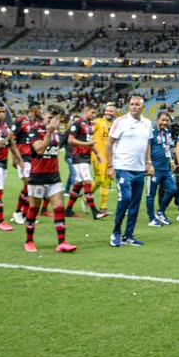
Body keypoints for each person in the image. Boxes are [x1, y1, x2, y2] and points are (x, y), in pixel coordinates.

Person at [22, 103, 78, 253]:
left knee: (59, 208)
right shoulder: (35, 130)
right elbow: (39, 149)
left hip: (54, 177)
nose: (52, 121)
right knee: (33, 209)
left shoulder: (57, 133)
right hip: (37, 177)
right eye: (49, 117)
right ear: (44, 116)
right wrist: (48, 132)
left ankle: (62, 242)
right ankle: (29, 241)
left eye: (56, 119)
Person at [106, 95, 153, 247]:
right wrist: (110, 166)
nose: (133, 107)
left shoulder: (147, 123)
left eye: (136, 104)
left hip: (139, 169)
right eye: (131, 104)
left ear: (142, 107)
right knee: (125, 198)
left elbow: (147, 144)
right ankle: (116, 232)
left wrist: (148, 162)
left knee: (135, 203)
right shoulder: (120, 122)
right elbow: (109, 144)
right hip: (123, 167)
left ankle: (129, 235)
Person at [64, 105, 106, 219]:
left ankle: (68, 210)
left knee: (78, 184)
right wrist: (87, 145)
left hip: (86, 157)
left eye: (95, 113)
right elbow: (70, 140)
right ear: (86, 111)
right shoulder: (78, 123)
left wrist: (97, 153)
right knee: (88, 182)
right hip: (78, 157)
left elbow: (89, 142)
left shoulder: (89, 126)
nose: (94, 115)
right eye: (92, 112)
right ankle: (95, 212)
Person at [146, 110, 177, 227]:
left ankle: (161, 212)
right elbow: (146, 148)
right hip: (154, 169)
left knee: (173, 189)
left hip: (166, 169)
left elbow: (167, 148)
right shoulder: (151, 132)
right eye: (162, 120)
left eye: (166, 121)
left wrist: (171, 160)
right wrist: (149, 164)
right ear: (157, 120)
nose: (164, 122)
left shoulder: (167, 133)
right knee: (151, 194)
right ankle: (151, 218)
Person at [10, 103, 41, 224]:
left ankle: (25, 215)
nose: (41, 112)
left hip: (33, 158)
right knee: (28, 185)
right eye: (40, 109)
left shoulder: (36, 124)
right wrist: (15, 158)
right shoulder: (21, 121)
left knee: (31, 187)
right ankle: (18, 212)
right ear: (34, 110)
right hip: (23, 157)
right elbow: (12, 139)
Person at [91, 102, 116, 214]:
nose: (108, 113)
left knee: (106, 182)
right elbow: (87, 132)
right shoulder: (98, 122)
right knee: (99, 180)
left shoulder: (115, 125)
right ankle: (87, 199)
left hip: (109, 158)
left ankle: (103, 208)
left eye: (111, 111)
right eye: (107, 110)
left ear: (115, 113)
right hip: (98, 156)